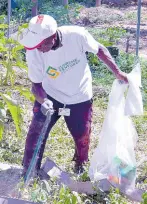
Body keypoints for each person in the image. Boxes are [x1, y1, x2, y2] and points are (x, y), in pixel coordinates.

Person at [14, 14, 128, 177]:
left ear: (52, 37)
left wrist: (117, 72)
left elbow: (99, 50)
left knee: (82, 136)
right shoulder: (34, 52)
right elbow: (36, 86)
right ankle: (29, 170)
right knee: (36, 132)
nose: (38, 48)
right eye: (35, 45)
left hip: (80, 95)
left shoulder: (76, 35)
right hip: (50, 95)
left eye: (41, 44)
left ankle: (80, 166)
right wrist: (43, 101)